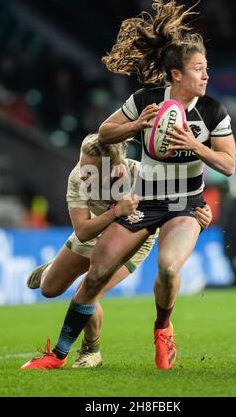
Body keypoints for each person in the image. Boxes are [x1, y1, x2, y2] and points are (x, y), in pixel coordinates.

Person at [22, 0, 234, 372]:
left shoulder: (213, 111)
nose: (206, 75)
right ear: (176, 75)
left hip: (185, 206)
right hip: (145, 202)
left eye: (206, 68)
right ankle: (57, 356)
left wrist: (193, 146)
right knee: (95, 278)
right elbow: (104, 131)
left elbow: (229, 164)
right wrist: (137, 125)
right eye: (199, 69)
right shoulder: (147, 99)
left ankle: (162, 329)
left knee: (169, 268)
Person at [22, 133, 212, 369]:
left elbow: (180, 206)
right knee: (49, 289)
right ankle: (53, 268)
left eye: (90, 170)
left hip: (133, 241)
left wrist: (200, 214)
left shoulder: (143, 177)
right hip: (94, 229)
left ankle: (91, 351)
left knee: (88, 290)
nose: (82, 173)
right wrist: (116, 211)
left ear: (114, 169)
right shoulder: (77, 179)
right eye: (82, 165)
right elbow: (82, 231)